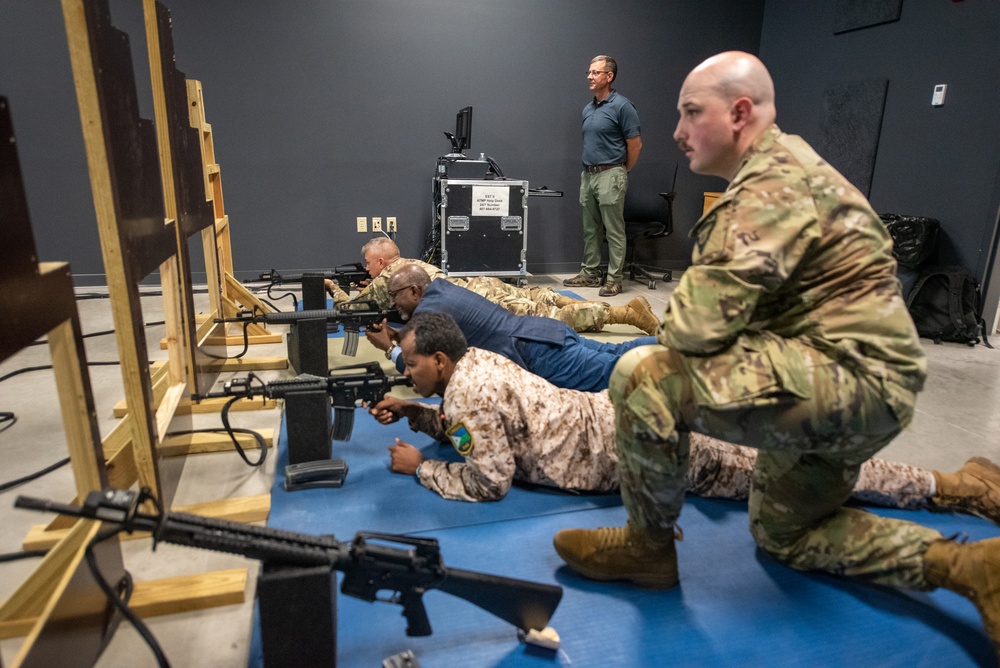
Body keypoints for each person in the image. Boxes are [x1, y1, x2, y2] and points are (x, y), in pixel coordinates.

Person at [551, 51, 1000, 656]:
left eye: (691, 113)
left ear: (739, 113)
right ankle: (971, 570)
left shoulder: (766, 193)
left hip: (846, 384)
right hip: (866, 381)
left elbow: (690, 334)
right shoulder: (793, 169)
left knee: (643, 373)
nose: (679, 132)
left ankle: (647, 548)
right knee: (786, 533)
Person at [369, 312, 1000, 526]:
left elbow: (489, 479)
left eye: (412, 364)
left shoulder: (468, 390)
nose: (405, 368)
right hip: (623, 420)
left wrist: (422, 467)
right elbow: (478, 429)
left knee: (795, 475)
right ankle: (954, 484)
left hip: (636, 449)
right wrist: (422, 417)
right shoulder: (473, 368)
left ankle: (957, 490)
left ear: (442, 359)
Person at [366, 264, 656, 392]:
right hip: (543, 333)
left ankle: (686, 354)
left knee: (617, 370)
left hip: (538, 354)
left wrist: (390, 347)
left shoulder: (427, 312)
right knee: (616, 353)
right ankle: (672, 343)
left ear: (415, 291)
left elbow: (423, 365)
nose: (394, 303)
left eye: (396, 296)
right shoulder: (440, 289)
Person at [332, 238, 659, 335]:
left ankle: (625, 314)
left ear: (382, 262)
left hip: (477, 301)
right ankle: (622, 312)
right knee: (535, 296)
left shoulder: (388, 277)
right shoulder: (411, 265)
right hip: (478, 285)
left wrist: (334, 287)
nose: (367, 269)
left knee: (545, 320)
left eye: (369, 263)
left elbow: (349, 310)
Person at [564, 55, 642, 298]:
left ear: (609, 76)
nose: (589, 76)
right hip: (588, 176)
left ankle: (614, 279)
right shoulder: (588, 108)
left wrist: (621, 172)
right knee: (590, 229)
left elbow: (635, 144)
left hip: (611, 173)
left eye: (595, 72)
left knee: (614, 230)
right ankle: (590, 273)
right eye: (589, 72)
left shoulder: (623, 106)